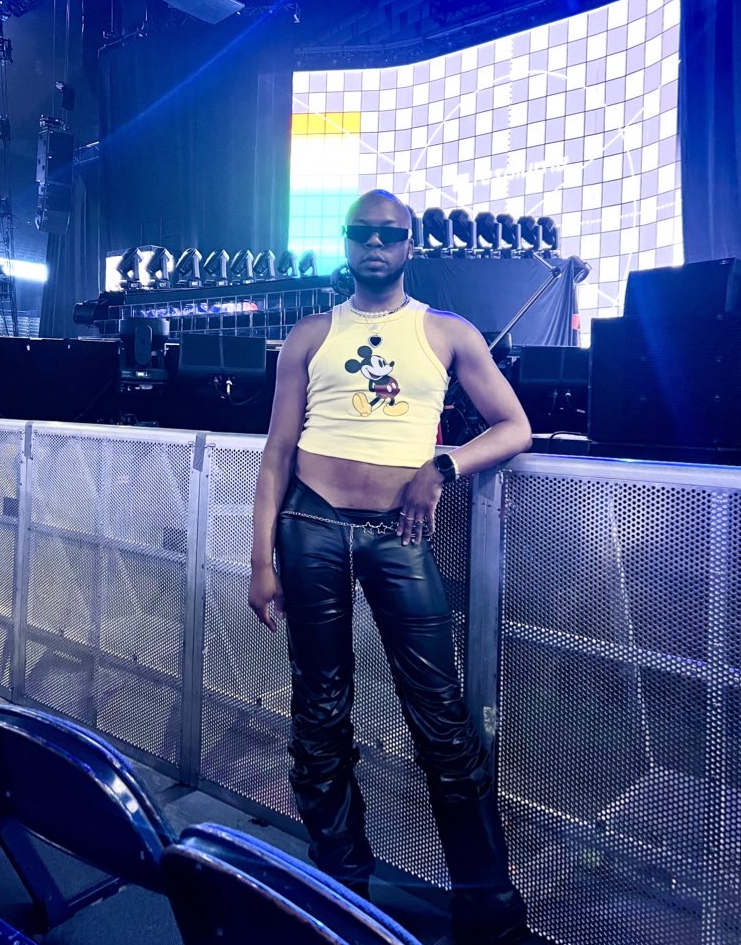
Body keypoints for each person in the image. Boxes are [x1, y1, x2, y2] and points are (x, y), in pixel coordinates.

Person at [248, 189, 546, 945]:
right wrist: (259, 561)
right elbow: (276, 453)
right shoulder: (310, 334)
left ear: (410, 245)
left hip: (399, 531)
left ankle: (487, 909)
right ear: (346, 243)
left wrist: (442, 466)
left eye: (389, 233)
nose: (374, 243)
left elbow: (515, 427)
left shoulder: (446, 331)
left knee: (441, 719)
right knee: (319, 712)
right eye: (361, 232)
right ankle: (339, 886)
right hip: (309, 524)